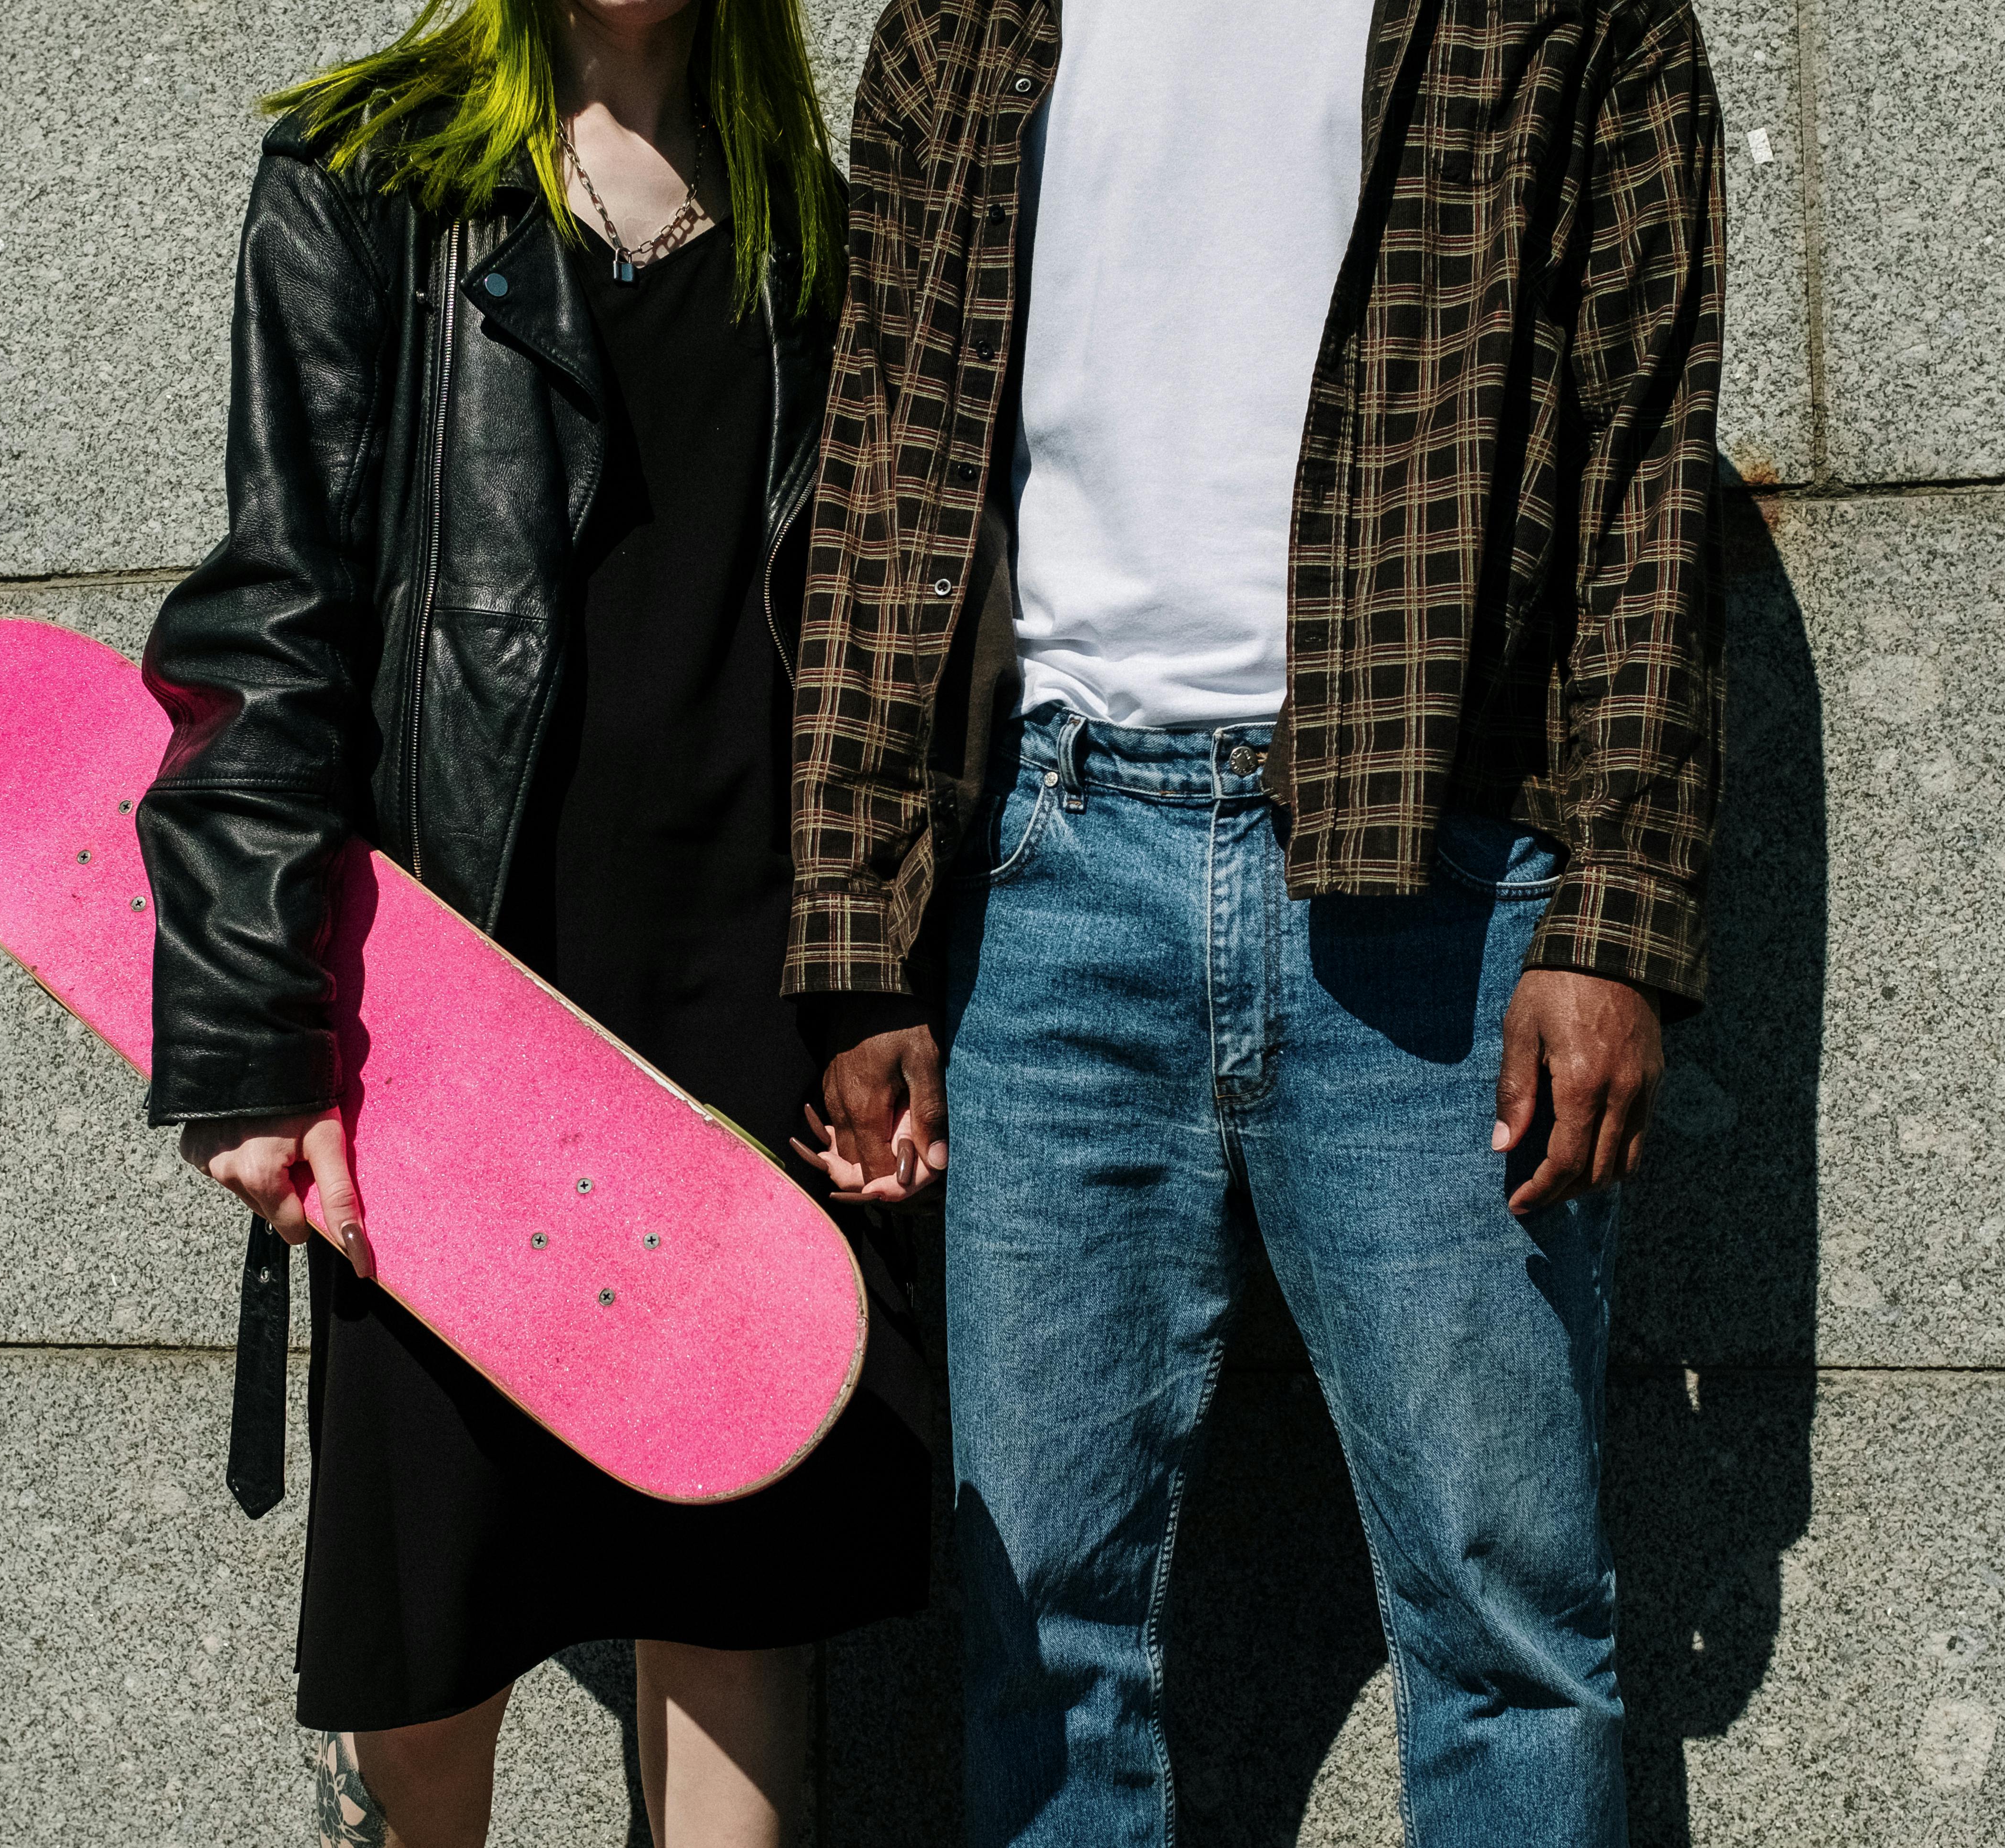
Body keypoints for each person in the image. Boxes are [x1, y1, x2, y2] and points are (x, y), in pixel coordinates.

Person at [796, 0, 1727, 1843]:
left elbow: (1644, 456)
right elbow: (886, 465)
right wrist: (856, 931)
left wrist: (1614, 912)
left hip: (1435, 884)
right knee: (1035, 1623)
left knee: (1505, 1621)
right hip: (1051, 868)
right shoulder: (964, 18)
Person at [133, 2, 929, 1843]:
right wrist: (257, 1040)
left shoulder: (818, 212)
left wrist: (886, 991)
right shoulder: (372, 184)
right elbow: (274, 616)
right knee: (439, 1628)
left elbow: (895, 628)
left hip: (744, 979)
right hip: (458, 988)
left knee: (734, 1578)